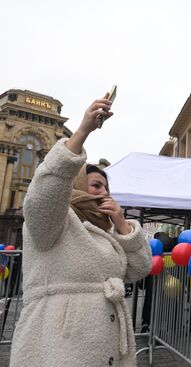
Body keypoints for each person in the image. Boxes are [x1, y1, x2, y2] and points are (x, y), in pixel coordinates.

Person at [10, 95, 152, 367]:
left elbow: (139, 268)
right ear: (75, 183)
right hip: (58, 348)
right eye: (96, 185)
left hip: (106, 349)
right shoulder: (54, 219)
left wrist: (123, 225)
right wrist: (84, 130)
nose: (104, 193)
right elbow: (44, 191)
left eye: (107, 187)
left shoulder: (107, 229)